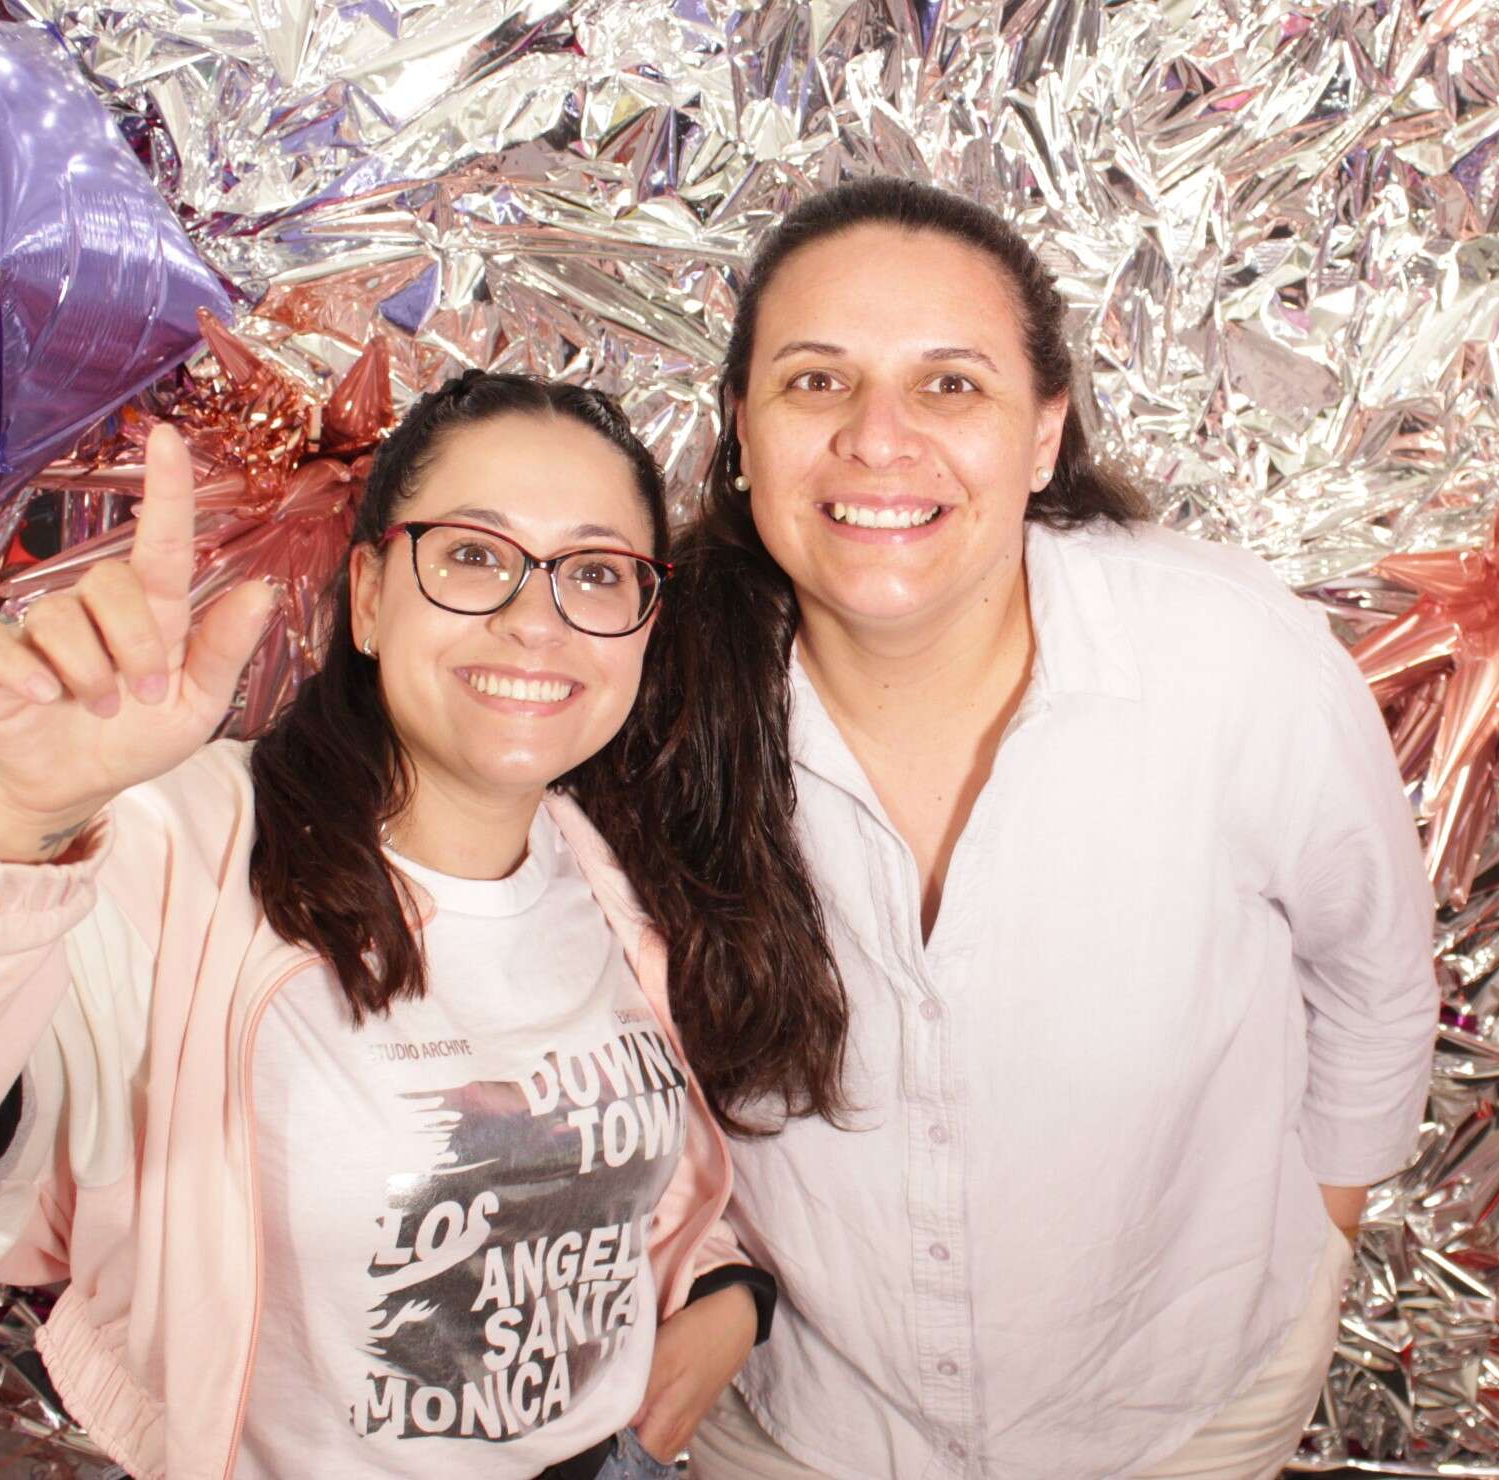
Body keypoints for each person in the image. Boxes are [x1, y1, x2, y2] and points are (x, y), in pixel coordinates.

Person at [0, 373, 774, 1480]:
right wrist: (18, 819)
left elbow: (592, 1165)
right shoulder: (180, 850)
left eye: (595, 572)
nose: (535, 619)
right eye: (472, 554)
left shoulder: (605, 866)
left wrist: (720, 1290)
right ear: (368, 597)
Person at [593, 178, 1442, 1478]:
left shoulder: (1231, 659)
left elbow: (1372, 972)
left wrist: (1325, 1232)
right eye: (817, 381)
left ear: (1043, 435)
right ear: (742, 431)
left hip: (1184, 1414)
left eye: (950, 385)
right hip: (803, 1429)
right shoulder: (630, 697)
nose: (879, 439)